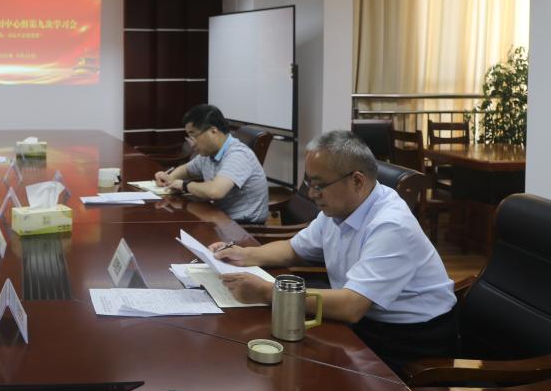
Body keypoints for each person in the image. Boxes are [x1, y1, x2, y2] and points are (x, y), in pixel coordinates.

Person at [212, 130, 457, 373]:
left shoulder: (391, 225)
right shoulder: (340, 209)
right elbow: (293, 248)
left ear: (357, 181)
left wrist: (268, 292)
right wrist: (244, 255)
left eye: (319, 185)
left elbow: (351, 306)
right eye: (309, 182)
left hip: (408, 342)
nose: (311, 194)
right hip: (365, 323)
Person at [153, 104, 269, 223]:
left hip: (242, 226)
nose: (192, 143)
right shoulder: (209, 153)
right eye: (189, 137)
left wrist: (184, 185)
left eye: (193, 136)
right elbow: (186, 169)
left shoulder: (238, 154)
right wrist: (169, 178)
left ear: (213, 131)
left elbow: (215, 191)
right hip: (218, 217)